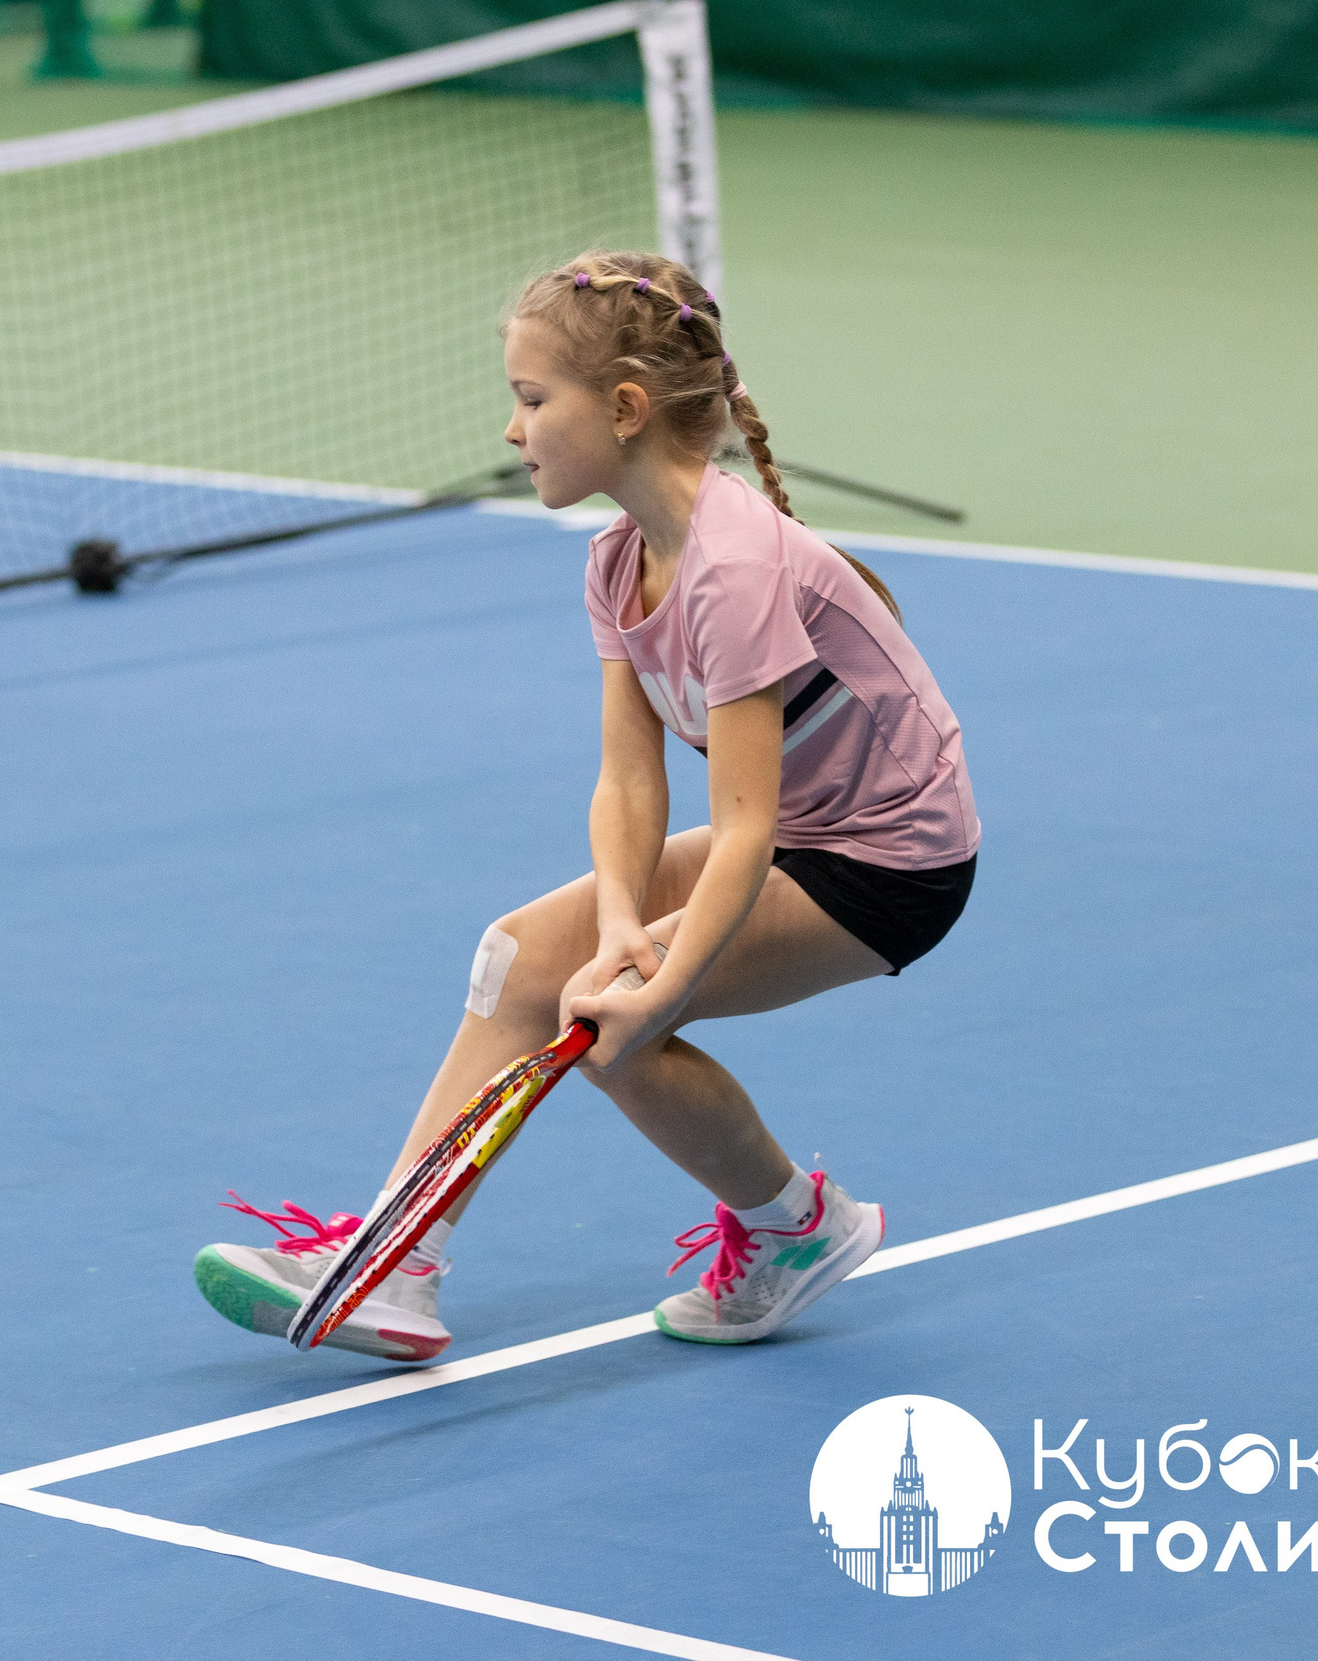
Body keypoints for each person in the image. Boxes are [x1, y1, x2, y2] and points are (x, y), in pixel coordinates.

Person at [194, 250, 979, 1362]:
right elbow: (629, 778)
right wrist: (620, 927)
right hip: (802, 832)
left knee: (612, 1028)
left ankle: (795, 1229)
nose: (511, 432)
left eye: (529, 400)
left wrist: (658, 976)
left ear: (623, 408)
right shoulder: (622, 558)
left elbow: (747, 825)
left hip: (889, 863)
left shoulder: (735, 571)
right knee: (526, 959)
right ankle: (396, 1264)